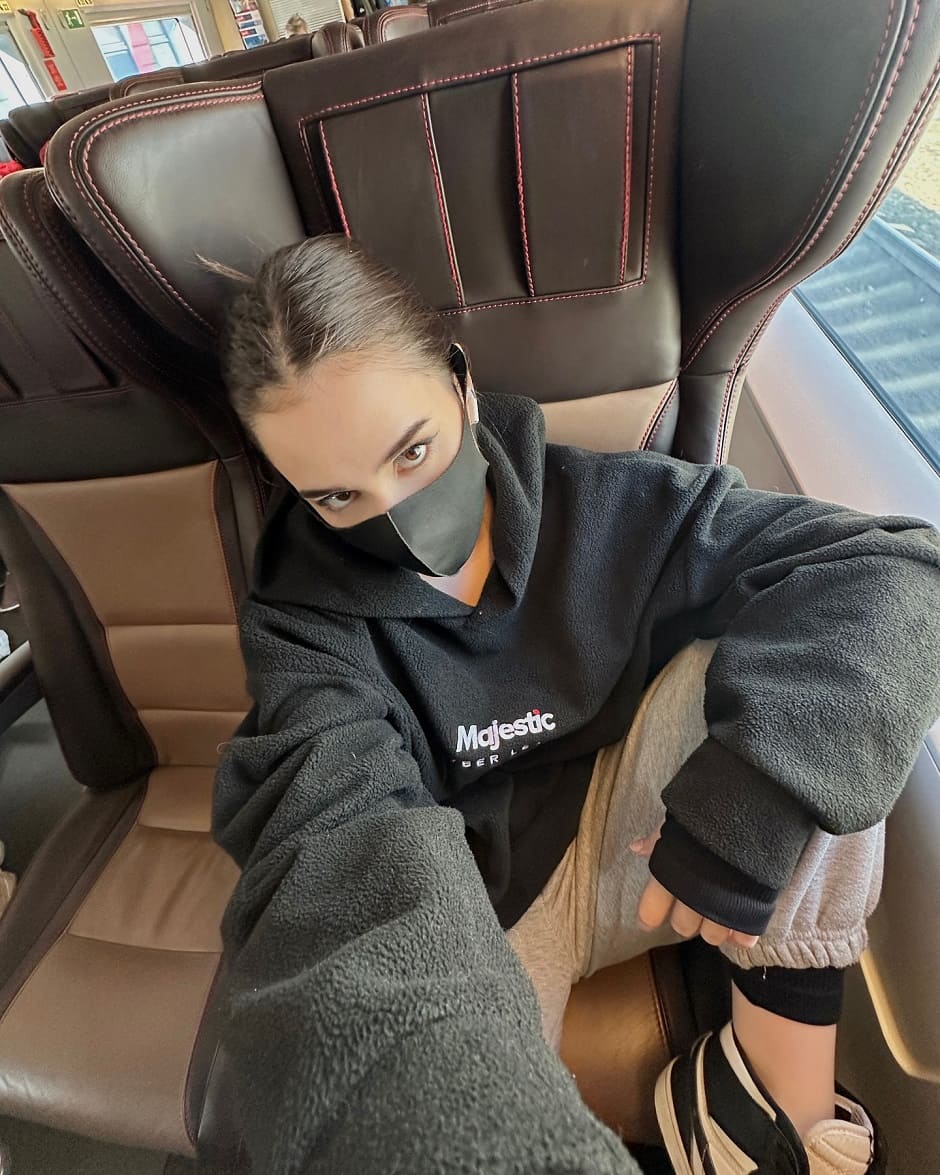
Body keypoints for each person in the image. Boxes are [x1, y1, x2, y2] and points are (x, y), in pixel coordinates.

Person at [212, 235, 940, 1175]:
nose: (396, 513)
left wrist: (745, 810)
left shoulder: (603, 501)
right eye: (340, 496)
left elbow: (888, 569)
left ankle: (766, 1116)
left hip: (646, 834)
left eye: (415, 451)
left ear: (461, 385)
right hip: (475, 900)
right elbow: (343, 849)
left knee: (819, 681)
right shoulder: (303, 629)